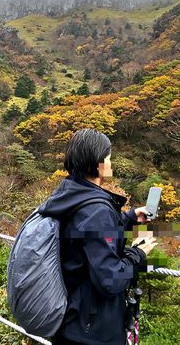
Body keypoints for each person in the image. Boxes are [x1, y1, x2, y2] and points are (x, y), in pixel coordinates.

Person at [39, 129, 157, 345]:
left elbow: (84, 233)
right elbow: (110, 280)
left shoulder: (69, 194)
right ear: (98, 164)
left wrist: (129, 217)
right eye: (109, 158)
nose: (111, 163)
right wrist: (137, 253)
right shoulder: (96, 211)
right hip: (93, 331)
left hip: (69, 319)